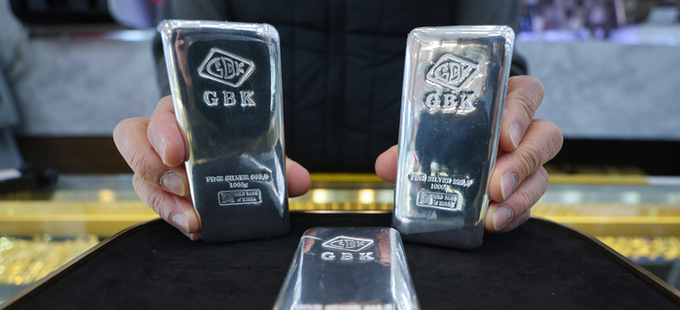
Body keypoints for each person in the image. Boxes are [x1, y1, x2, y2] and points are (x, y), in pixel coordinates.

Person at [113, 0, 563, 241]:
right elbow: (186, 50)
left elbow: (492, 51)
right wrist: (180, 122)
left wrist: (504, 117)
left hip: (423, 211)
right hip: (260, 213)